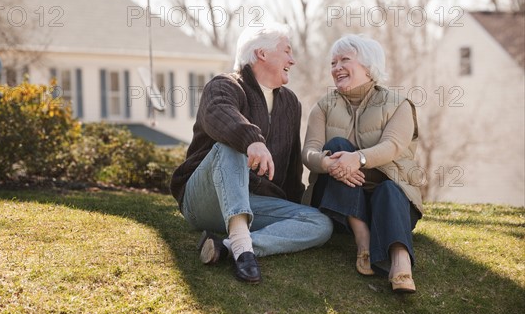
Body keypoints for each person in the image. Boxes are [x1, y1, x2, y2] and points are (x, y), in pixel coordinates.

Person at [170, 23, 333, 284]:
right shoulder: (224, 85)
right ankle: (243, 250)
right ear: (262, 53)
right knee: (230, 146)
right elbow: (219, 114)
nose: (293, 60)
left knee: (320, 224)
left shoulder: (290, 103)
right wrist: (251, 140)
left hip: (255, 202)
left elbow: (291, 165)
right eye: (287, 51)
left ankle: (228, 245)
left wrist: (296, 205)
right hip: (205, 200)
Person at [301, 34, 424, 293]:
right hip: (338, 205)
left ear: (369, 66)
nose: (336, 68)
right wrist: (328, 164)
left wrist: (358, 159)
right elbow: (309, 152)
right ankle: (362, 238)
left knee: (389, 189)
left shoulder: (397, 104)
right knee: (336, 147)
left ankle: (400, 261)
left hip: (389, 202)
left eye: (345, 60)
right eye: (333, 63)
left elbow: (391, 146)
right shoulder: (323, 106)